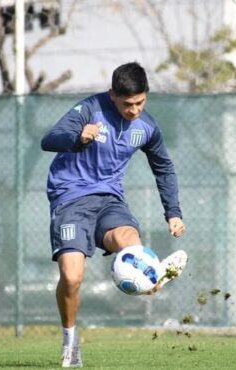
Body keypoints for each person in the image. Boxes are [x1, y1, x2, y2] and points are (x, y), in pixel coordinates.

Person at [41, 62, 187, 368]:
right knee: (71, 276)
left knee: (129, 240)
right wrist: (78, 138)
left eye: (140, 102)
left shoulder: (147, 127)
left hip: (109, 198)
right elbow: (49, 139)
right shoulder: (90, 109)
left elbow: (164, 168)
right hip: (71, 197)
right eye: (126, 104)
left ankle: (150, 275)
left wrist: (172, 212)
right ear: (112, 95)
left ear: (146, 95)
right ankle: (70, 342)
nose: (134, 110)